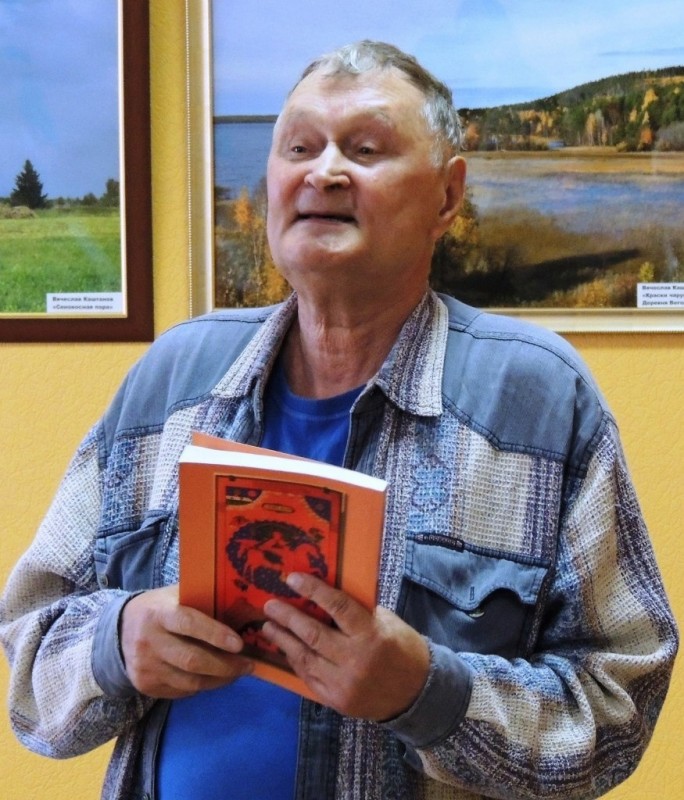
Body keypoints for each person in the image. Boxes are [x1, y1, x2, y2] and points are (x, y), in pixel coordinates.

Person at [0, 40, 678, 800]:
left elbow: (620, 702)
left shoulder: (538, 400)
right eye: (299, 147)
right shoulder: (172, 380)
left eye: (365, 149)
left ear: (448, 196)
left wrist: (427, 693)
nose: (323, 172)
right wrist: (118, 644)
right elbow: (30, 646)